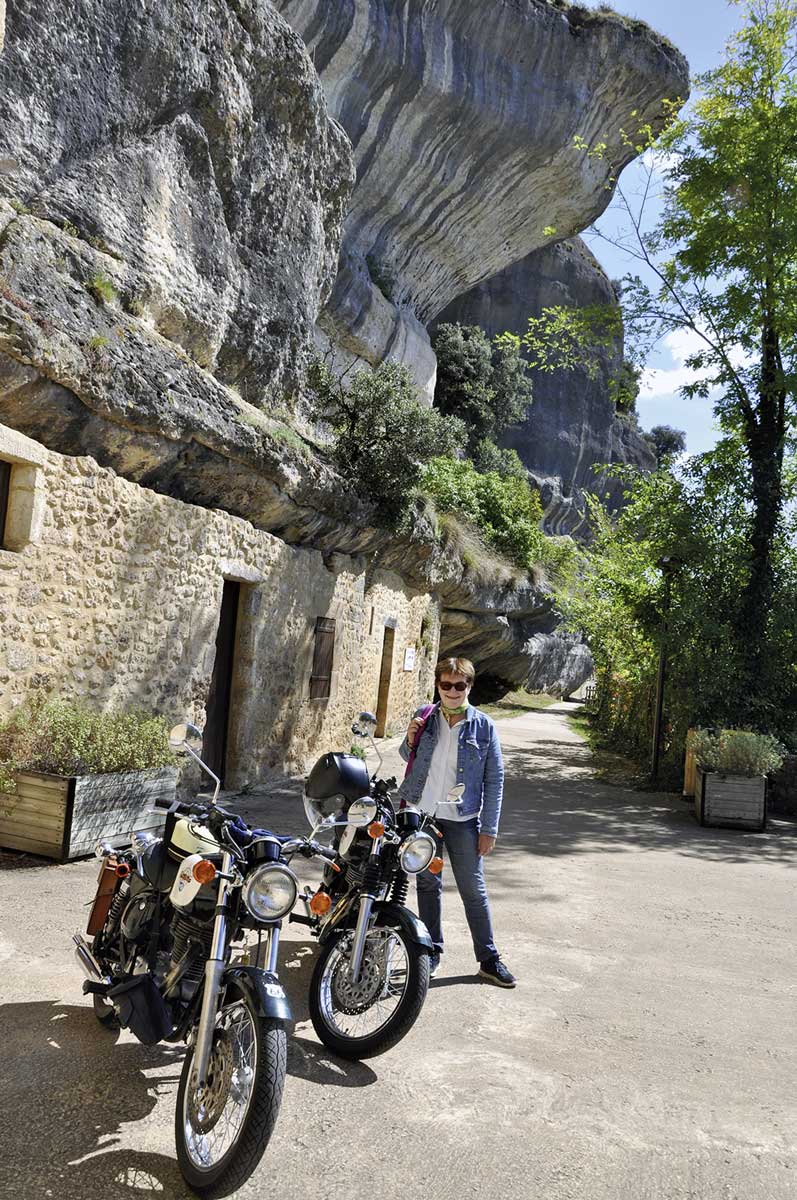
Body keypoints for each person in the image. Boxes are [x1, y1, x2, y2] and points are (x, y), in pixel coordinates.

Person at [398, 656, 516, 988]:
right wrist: (409, 739)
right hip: (423, 815)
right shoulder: (424, 718)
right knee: (427, 885)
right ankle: (431, 952)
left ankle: (488, 959)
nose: (452, 691)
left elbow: (495, 780)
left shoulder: (484, 726)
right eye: (446, 684)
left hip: (463, 819)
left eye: (459, 685)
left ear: (469, 686)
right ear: (437, 685)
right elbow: (408, 758)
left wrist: (489, 828)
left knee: (473, 891)